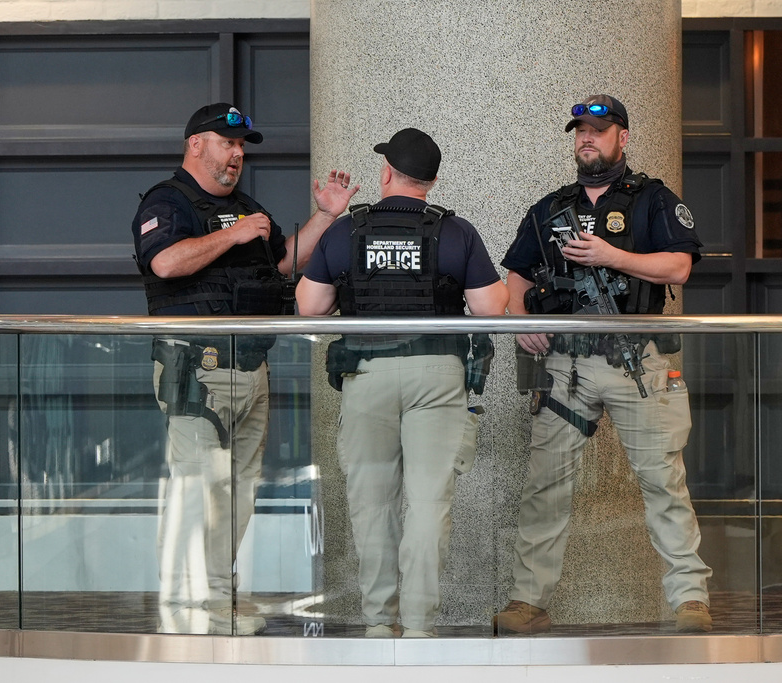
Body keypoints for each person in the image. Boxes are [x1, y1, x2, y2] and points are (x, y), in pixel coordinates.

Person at [132, 102, 359, 635]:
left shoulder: (246, 205)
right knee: (198, 488)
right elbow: (164, 262)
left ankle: (218, 595)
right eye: (227, 143)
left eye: (241, 147)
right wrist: (231, 235)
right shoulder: (168, 202)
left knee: (238, 489)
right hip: (195, 367)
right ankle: (188, 601)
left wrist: (326, 217)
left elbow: (282, 262)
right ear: (196, 145)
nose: (237, 155)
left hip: (251, 365)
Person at [495, 94, 713, 634]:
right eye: (579, 131)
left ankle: (690, 600)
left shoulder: (652, 199)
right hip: (566, 364)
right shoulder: (550, 207)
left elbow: (679, 267)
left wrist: (612, 256)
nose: (586, 139)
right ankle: (528, 602)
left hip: (637, 362)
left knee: (663, 482)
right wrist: (523, 321)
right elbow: (516, 276)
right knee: (545, 485)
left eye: (597, 129)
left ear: (623, 136)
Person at [296, 128, 508, 637]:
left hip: (366, 374)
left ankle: (376, 624)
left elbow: (310, 306)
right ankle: (418, 628)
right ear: (430, 182)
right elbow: (490, 307)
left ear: (387, 172)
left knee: (373, 505)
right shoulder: (455, 232)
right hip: (436, 373)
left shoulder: (348, 230)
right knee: (430, 505)